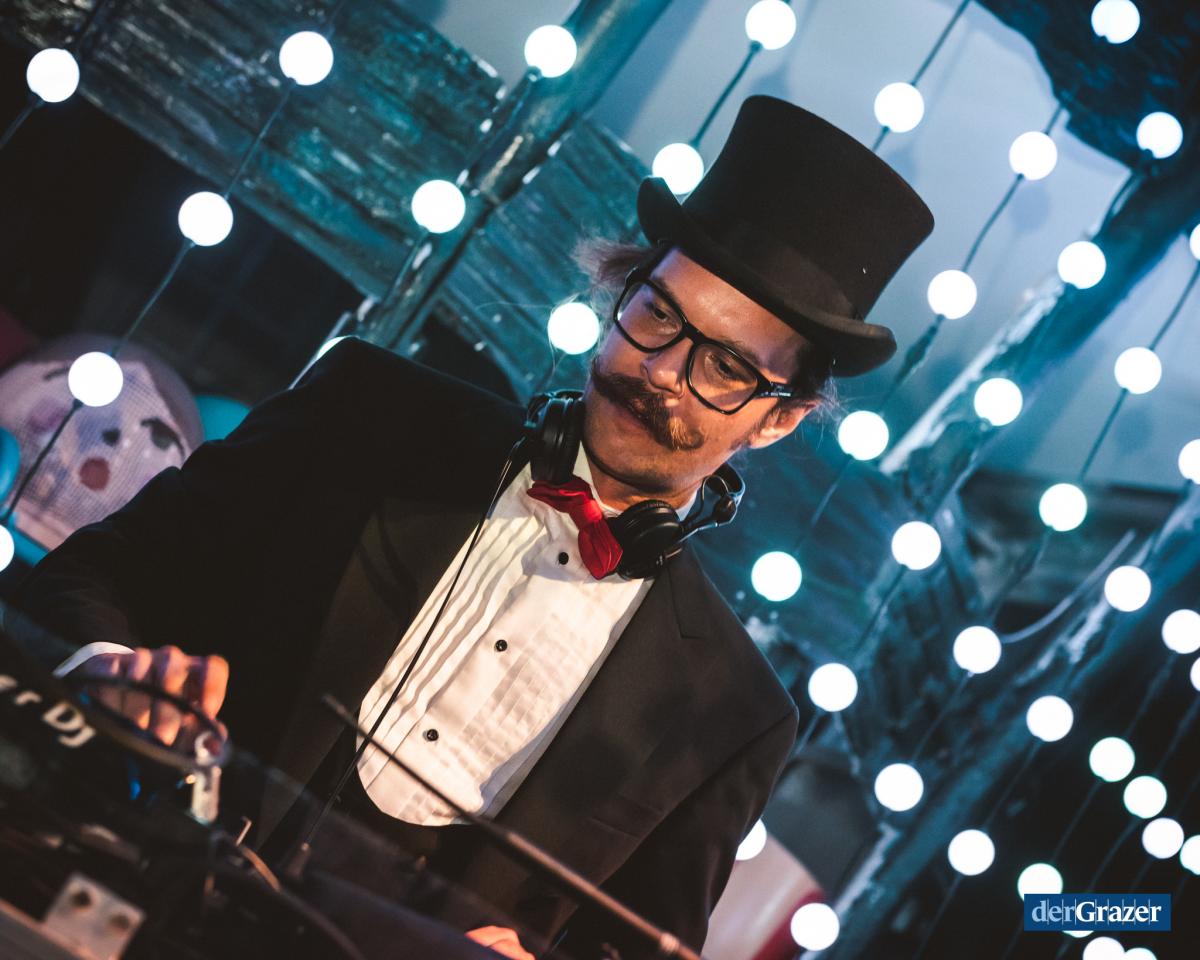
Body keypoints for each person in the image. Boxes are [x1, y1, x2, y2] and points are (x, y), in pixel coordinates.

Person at [15, 95, 933, 959]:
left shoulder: (737, 717)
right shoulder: (365, 410)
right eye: (657, 313)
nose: (661, 370)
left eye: (724, 366)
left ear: (779, 418)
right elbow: (87, 579)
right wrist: (104, 673)